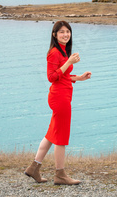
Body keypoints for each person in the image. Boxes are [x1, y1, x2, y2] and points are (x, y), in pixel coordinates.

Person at [25, 21, 91, 185]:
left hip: (63, 96)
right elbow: (51, 77)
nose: (65, 34)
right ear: (54, 35)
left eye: (67, 31)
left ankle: (34, 168)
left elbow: (62, 76)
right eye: (61, 32)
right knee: (61, 137)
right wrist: (69, 62)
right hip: (59, 98)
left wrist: (79, 77)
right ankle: (60, 175)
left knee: (51, 135)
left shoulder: (62, 51)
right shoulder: (54, 53)